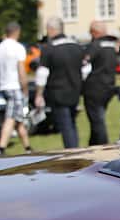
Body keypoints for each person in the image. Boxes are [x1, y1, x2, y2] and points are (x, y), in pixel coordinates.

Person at [35, 17, 86, 148]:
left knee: (65, 125)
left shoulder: (49, 48)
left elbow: (42, 74)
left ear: (51, 30)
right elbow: (86, 69)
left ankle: (72, 152)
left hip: (58, 92)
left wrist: (39, 94)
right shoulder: (76, 46)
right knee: (72, 123)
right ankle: (76, 149)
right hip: (75, 90)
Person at [0, 21, 30, 154]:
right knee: (11, 118)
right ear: (17, 32)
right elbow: (21, 71)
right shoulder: (18, 47)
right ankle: (1, 148)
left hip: (3, 86)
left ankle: (27, 148)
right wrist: (25, 89)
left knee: (18, 118)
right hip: (14, 86)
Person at [82, 20, 119, 145]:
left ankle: (104, 146)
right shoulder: (112, 45)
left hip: (94, 88)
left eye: (91, 32)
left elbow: (84, 62)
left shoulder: (96, 45)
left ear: (95, 32)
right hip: (109, 86)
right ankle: (92, 146)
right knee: (97, 119)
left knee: (97, 121)